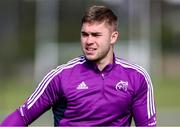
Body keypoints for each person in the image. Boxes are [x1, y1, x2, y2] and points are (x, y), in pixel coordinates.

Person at [1, 5, 156, 126]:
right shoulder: (61, 77)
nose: (88, 41)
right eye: (84, 34)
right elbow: (23, 116)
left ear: (113, 37)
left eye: (96, 35)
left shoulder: (137, 77)